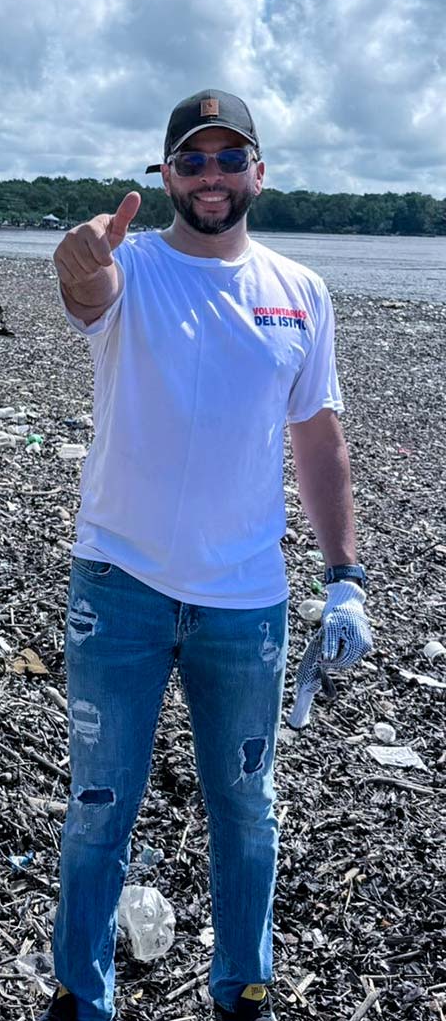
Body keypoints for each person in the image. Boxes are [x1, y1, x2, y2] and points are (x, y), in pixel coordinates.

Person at [45, 90, 373, 1021]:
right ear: (166, 178)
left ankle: (244, 987)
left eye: (231, 159)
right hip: (120, 586)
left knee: (248, 808)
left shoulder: (301, 292)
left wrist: (343, 577)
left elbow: (319, 441)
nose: (213, 176)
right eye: (193, 161)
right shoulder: (133, 267)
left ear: (259, 172)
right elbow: (88, 292)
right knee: (101, 804)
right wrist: (79, 263)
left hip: (247, 600)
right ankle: (79, 994)